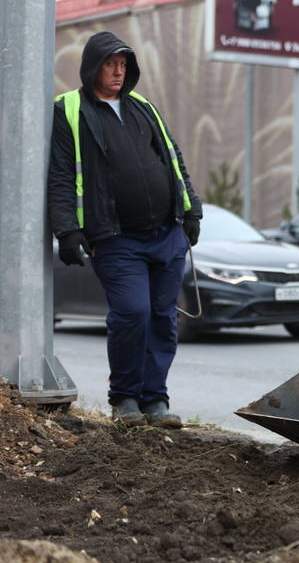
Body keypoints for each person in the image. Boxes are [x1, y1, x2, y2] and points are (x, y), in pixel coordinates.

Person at [47, 31, 202, 428]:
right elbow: (60, 175)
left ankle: (155, 400)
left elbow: (172, 157)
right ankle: (125, 398)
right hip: (115, 237)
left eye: (123, 66)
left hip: (165, 233)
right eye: (110, 65)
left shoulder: (142, 106)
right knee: (132, 312)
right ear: (92, 67)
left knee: (163, 317)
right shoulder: (68, 110)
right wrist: (66, 230)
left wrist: (191, 210)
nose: (117, 73)